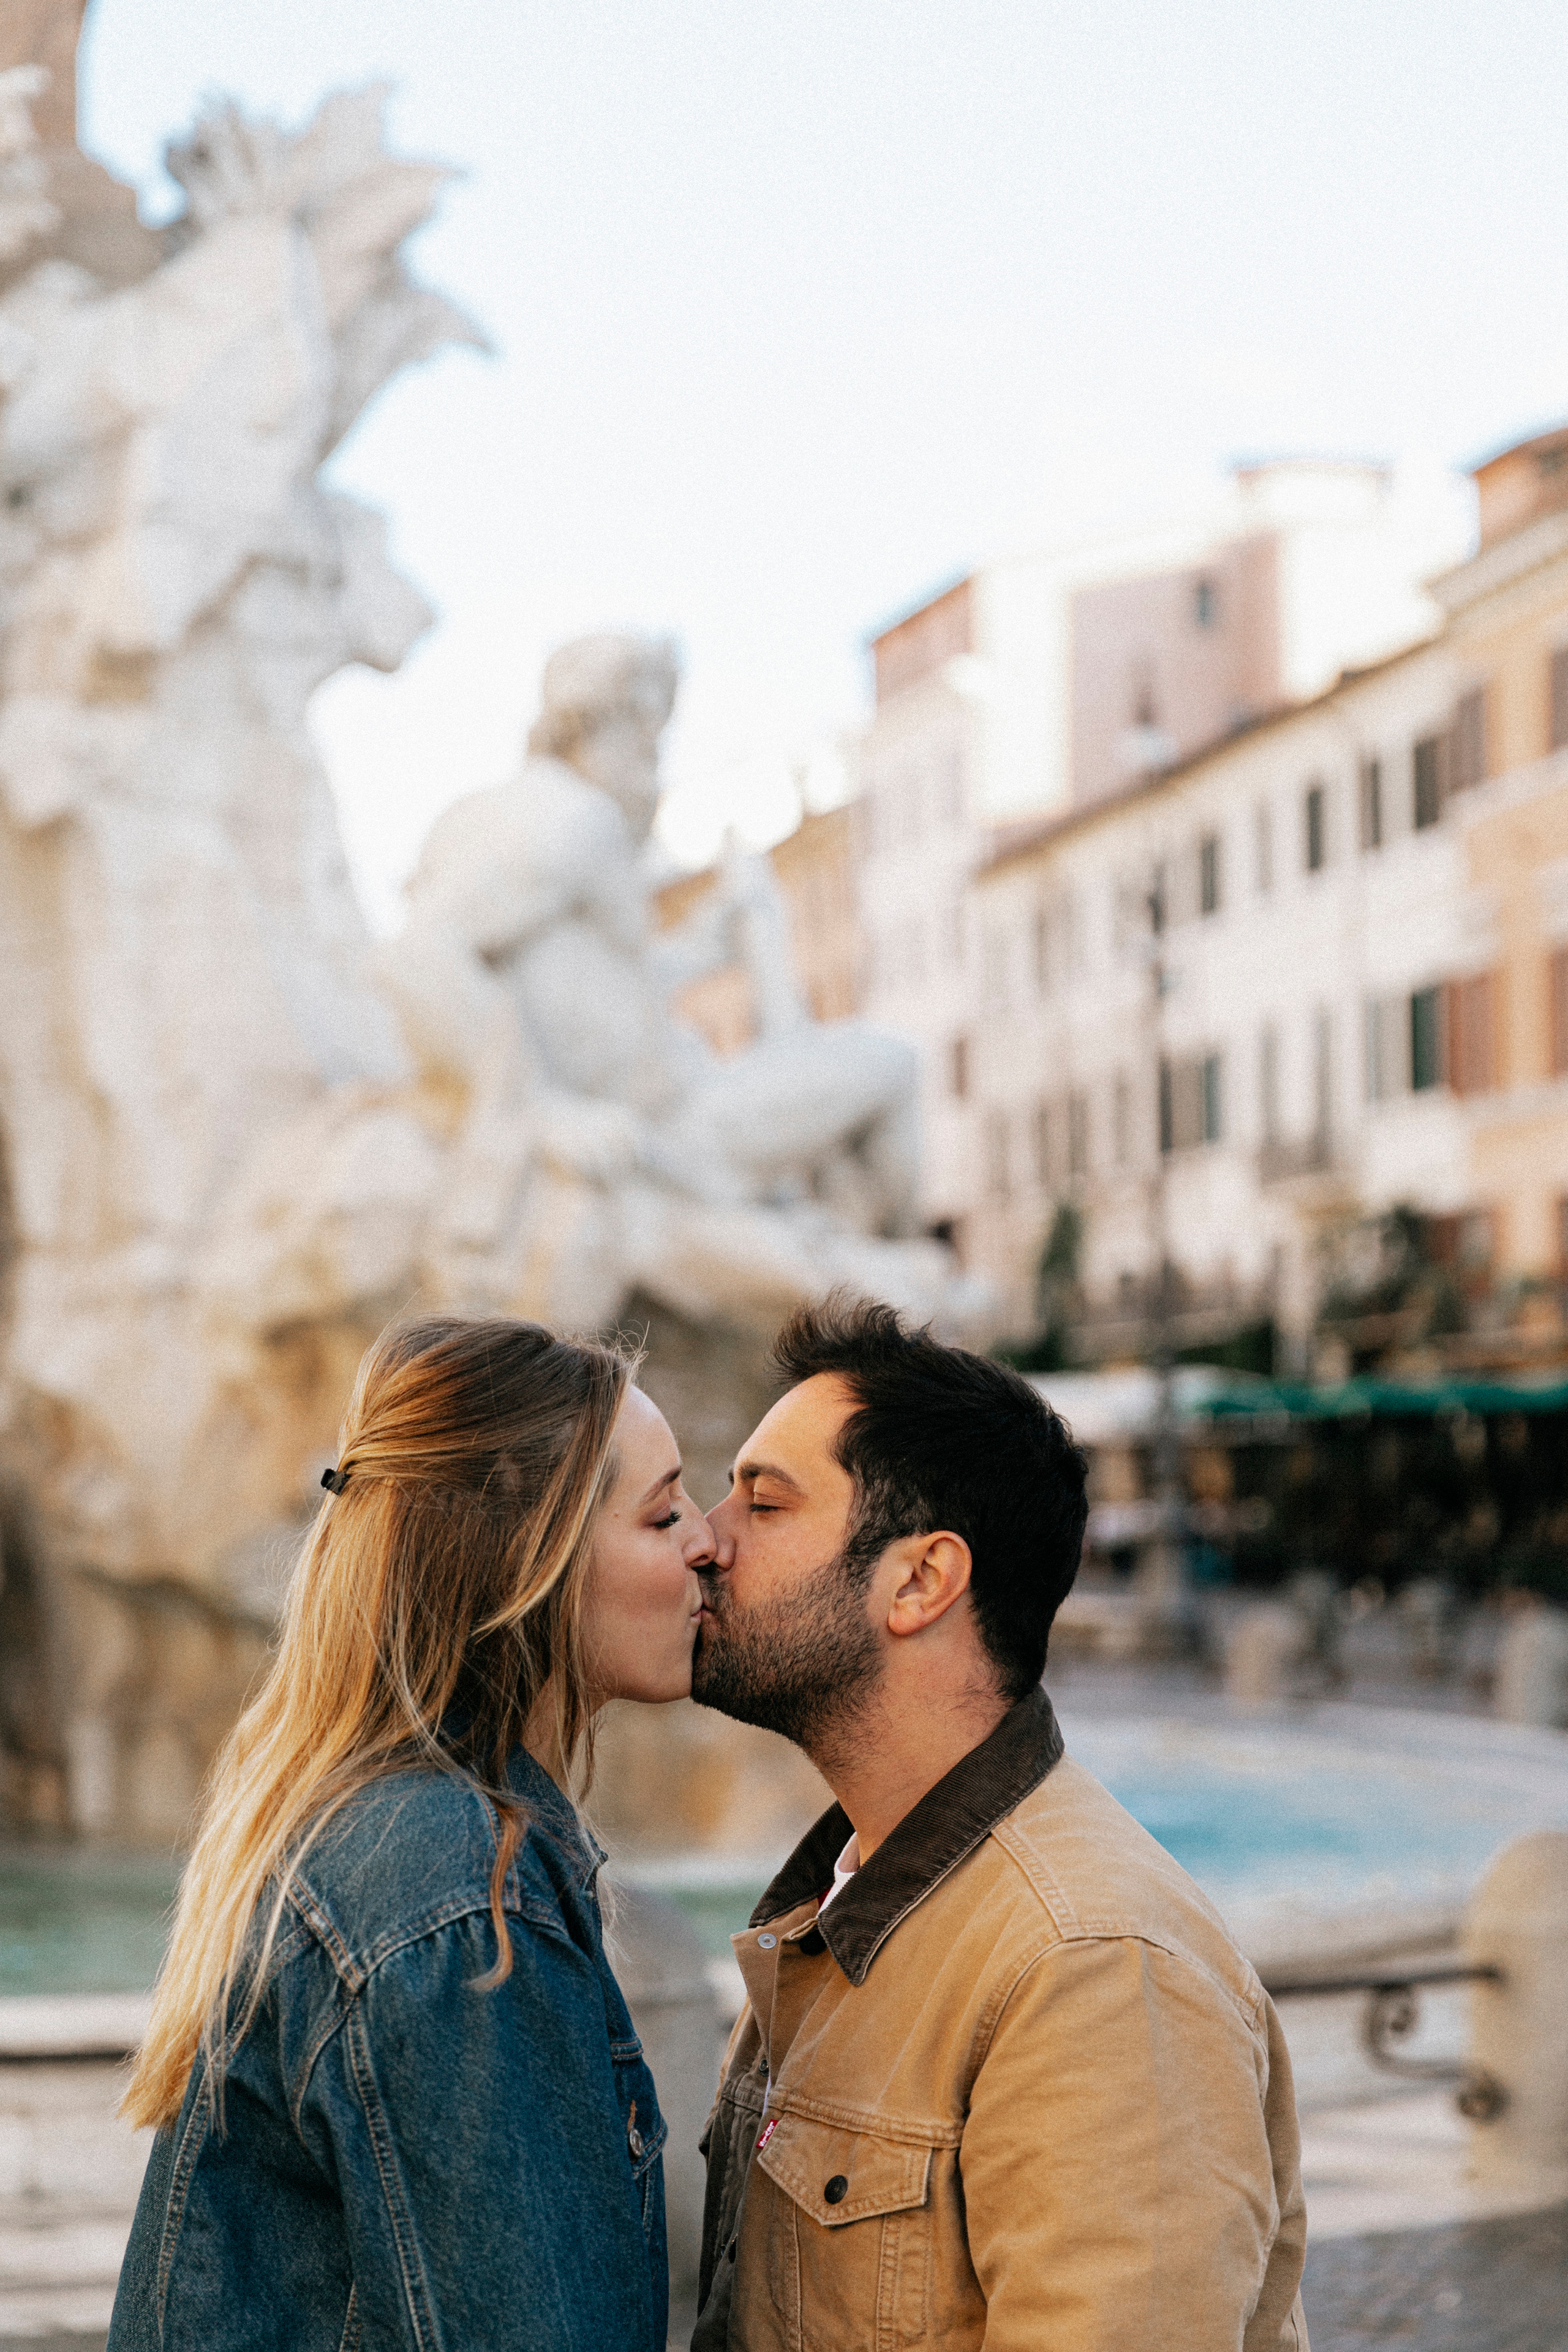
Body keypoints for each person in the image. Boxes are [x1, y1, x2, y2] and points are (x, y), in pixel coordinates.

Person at [688, 1294, 1309, 2351]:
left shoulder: (1095, 1971)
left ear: (921, 1580)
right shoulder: (844, 1901)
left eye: (766, 1503)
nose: (706, 1540)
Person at [110, 1314, 717, 2352]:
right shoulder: (456, 1898)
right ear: (533, 1558)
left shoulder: (387, 1834)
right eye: (663, 1519)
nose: (709, 1539)